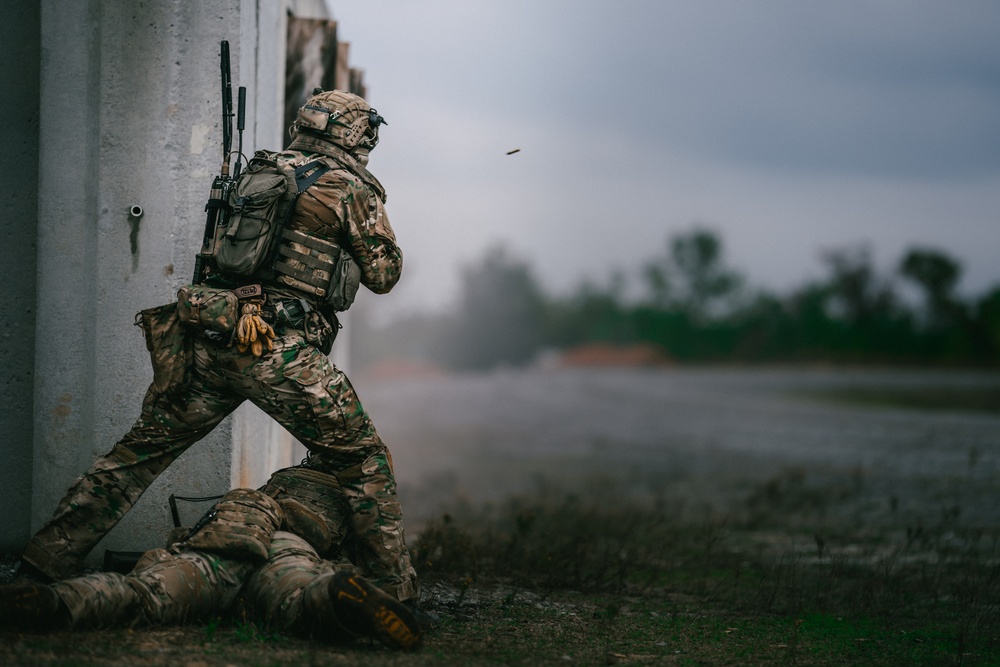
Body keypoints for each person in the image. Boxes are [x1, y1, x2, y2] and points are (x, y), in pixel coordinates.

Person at [18, 89, 417, 605]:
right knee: (364, 461)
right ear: (354, 134)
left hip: (214, 336)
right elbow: (384, 275)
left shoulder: (259, 172)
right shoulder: (348, 188)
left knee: (136, 456)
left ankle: (39, 565)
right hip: (277, 348)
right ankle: (392, 594)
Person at [2, 466, 424, 651]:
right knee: (298, 597)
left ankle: (56, 602)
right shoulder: (354, 498)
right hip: (288, 551)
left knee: (144, 594)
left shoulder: (275, 486)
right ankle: (333, 596)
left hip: (229, 541)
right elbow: (375, 552)